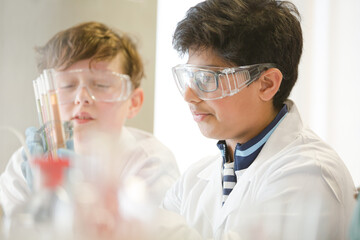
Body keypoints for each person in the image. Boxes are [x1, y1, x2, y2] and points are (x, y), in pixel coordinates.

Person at [161, 0, 356, 239]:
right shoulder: (193, 179)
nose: (188, 96)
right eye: (191, 77)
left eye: (208, 78)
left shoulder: (309, 173)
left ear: (267, 84)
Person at [0, 21, 180, 217]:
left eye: (101, 84)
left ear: (134, 102)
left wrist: (67, 205)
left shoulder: (150, 163)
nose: (82, 97)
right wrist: (42, 201)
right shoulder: (28, 163)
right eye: (67, 85)